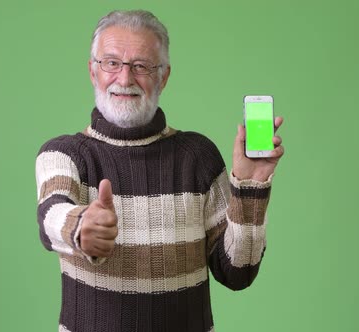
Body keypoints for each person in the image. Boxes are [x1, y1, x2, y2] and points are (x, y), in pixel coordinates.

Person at [35, 9, 284, 332]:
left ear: (163, 76)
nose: (124, 79)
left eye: (141, 66)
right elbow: (51, 215)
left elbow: (238, 272)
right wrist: (82, 227)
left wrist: (251, 185)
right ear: (93, 72)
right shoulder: (64, 153)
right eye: (111, 63)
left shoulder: (198, 157)